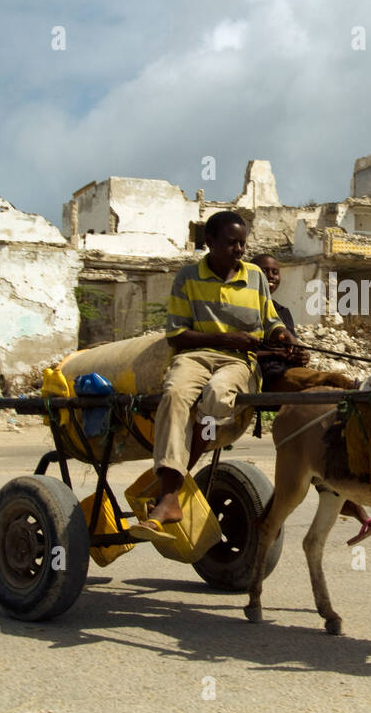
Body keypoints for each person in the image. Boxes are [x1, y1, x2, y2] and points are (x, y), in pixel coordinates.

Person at [130, 213, 304, 542]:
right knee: (175, 394)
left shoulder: (254, 277)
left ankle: (171, 491)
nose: (239, 249)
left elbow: (271, 321)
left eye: (242, 243)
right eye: (231, 243)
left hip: (240, 363)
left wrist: (285, 338)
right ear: (209, 242)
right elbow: (177, 335)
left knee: (216, 394)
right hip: (195, 356)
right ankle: (169, 496)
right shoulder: (187, 277)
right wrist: (227, 338)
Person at [250, 254, 371, 547]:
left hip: (291, 372)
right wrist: (279, 355)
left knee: (322, 457)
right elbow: (247, 349)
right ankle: (356, 388)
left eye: (275, 272)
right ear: (251, 275)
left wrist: (299, 354)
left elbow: (294, 346)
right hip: (271, 378)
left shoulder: (282, 311)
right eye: (265, 272)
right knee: (334, 381)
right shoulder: (246, 310)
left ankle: (361, 512)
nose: (272, 277)